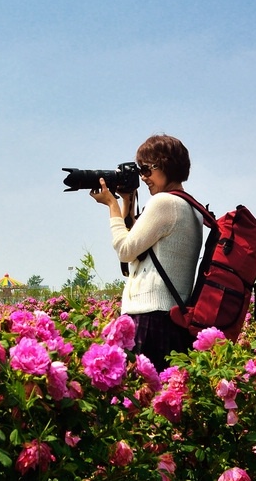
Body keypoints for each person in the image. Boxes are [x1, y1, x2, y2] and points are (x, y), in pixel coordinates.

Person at [90, 134, 204, 371]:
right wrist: (127, 200)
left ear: (166, 165)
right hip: (172, 321)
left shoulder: (165, 203)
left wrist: (111, 205)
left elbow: (125, 250)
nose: (143, 177)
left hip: (150, 318)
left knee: (141, 399)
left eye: (147, 170)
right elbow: (138, 243)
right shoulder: (190, 207)